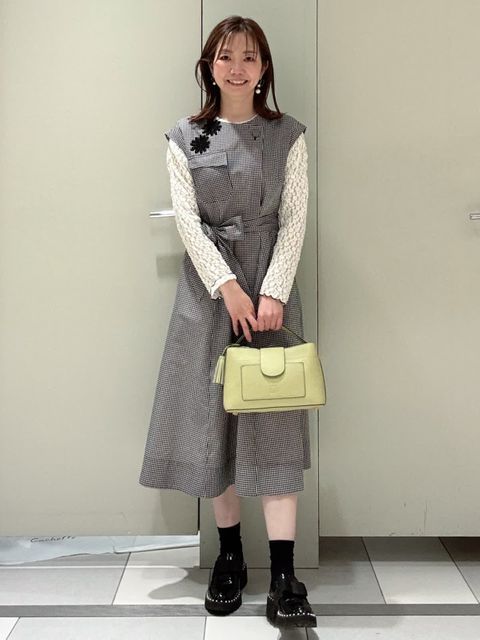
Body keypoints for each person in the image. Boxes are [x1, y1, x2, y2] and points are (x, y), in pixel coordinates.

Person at [139, 15, 316, 629]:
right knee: (213, 422)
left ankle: (285, 574)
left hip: (272, 298)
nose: (236, 68)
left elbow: (294, 218)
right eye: (225, 56)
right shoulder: (184, 137)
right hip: (208, 298)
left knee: (275, 423)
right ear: (208, 66)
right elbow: (188, 223)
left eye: (248, 57)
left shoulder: (288, 135)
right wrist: (228, 288)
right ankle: (230, 558)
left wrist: (272, 291)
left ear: (264, 67)